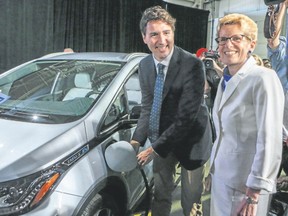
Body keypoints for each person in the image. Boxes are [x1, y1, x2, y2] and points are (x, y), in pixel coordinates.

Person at [130, 5, 212, 216]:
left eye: (166, 33)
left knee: (190, 203)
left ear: (173, 33)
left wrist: (153, 149)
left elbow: (186, 117)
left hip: (192, 142)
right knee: (161, 196)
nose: (162, 40)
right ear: (144, 38)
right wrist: (136, 140)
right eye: (154, 34)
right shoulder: (145, 65)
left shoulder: (192, 64)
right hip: (163, 142)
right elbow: (148, 105)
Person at [209, 13, 284, 216]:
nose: (227, 44)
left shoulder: (263, 78)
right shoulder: (226, 79)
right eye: (223, 39)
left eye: (236, 38)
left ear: (251, 44)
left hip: (246, 188)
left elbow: (269, 139)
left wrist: (255, 190)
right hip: (222, 178)